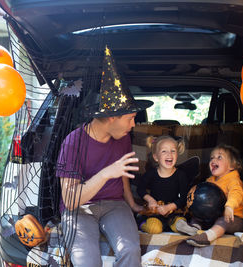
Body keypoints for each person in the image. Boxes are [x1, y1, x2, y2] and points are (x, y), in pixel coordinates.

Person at [56, 46, 152, 267]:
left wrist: (132, 203)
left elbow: (124, 173)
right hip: (79, 209)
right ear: (111, 118)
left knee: (129, 250)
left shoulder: (123, 137)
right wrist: (107, 173)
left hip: (114, 205)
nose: (133, 124)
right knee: (86, 260)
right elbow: (69, 200)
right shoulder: (73, 143)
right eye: (130, 118)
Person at [183, 143, 243, 247]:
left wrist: (229, 206)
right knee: (198, 216)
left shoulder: (233, 179)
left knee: (223, 221)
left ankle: (208, 237)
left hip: (234, 218)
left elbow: (236, 193)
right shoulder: (210, 181)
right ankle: (194, 228)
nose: (213, 160)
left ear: (232, 166)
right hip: (213, 216)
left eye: (219, 157)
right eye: (212, 158)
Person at [136, 135, 193, 234]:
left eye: (173, 151)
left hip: (173, 212)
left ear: (177, 155)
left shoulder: (181, 175)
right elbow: (140, 189)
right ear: (156, 157)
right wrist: (151, 200)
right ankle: (141, 224)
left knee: (179, 223)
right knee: (154, 228)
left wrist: (169, 207)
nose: (169, 154)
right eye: (164, 151)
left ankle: (182, 227)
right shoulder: (151, 174)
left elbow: (184, 198)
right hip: (155, 212)